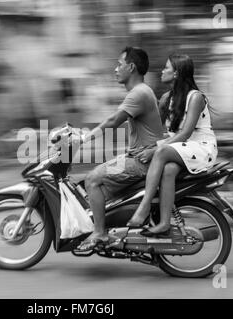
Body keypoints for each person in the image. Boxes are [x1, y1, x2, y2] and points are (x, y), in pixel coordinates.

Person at [76, 47, 163, 251]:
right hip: (140, 157)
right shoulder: (143, 91)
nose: (115, 69)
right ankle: (110, 226)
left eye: (119, 64)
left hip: (141, 163)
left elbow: (114, 120)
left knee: (92, 179)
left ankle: (99, 233)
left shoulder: (139, 93)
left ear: (131, 67)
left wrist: (86, 137)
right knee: (96, 184)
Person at [126, 53, 218, 236]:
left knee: (160, 153)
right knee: (168, 170)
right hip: (179, 148)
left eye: (166, 68)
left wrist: (155, 150)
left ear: (176, 73)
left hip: (200, 148)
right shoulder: (167, 98)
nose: (162, 71)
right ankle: (164, 223)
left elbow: (186, 133)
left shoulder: (195, 97)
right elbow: (154, 130)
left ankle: (144, 207)